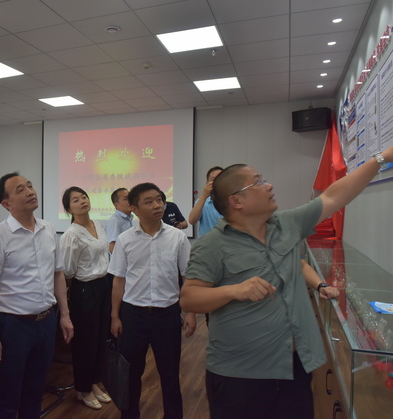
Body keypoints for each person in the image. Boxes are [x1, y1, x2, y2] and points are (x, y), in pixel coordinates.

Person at [181, 148, 393, 419]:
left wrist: (382, 158)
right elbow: (189, 298)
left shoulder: (287, 224)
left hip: (293, 369)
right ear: (236, 201)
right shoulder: (212, 244)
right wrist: (234, 290)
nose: (268, 185)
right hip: (238, 375)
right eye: (258, 182)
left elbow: (333, 196)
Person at [0, 172, 74, 418]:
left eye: (30, 186)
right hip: (14, 326)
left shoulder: (48, 229)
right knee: (9, 392)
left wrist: (64, 315)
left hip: (46, 321)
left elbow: (58, 274)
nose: (30, 191)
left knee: (36, 389)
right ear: (6, 203)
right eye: (20, 189)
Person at [109, 182, 196, 419]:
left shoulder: (177, 237)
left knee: (170, 375)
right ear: (135, 209)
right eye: (149, 201)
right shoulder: (125, 239)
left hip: (167, 315)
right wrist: (115, 316)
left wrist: (190, 312)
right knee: (131, 373)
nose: (158, 205)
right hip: (133, 315)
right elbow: (118, 281)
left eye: (159, 199)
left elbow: (188, 277)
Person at [59, 186, 112, 410]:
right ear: (68, 208)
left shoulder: (97, 224)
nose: (82, 201)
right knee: (85, 343)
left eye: (84, 197)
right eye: (75, 200)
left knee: (101, 338)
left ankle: (94, 382)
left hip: (104, 285)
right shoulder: (71, 234)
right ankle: (83, 389)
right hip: (84, 290)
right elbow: (67, 271)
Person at [188, 166, 223, 236]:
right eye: (214, 180)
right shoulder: (202, 201)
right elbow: (192, 221)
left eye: (221, 179)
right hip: (207, 242)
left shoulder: (232, 201)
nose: (218, 182)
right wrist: (204, 195)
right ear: (207, 183)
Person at [104, 187, 134, 253]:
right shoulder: (114, 220)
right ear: (116, 205)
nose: (130, 201)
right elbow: (112, 248)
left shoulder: (128, 219)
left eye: (130, 198)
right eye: (126, 199)